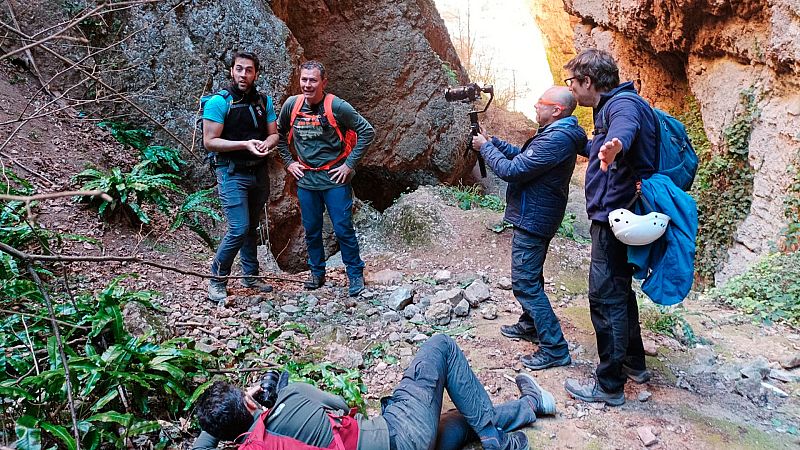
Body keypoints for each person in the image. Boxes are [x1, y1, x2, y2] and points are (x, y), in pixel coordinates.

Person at [192, 334, 557, 450]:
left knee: (450, 422)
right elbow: (341, 405)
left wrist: (226, 418)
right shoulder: (287, 398)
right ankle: (499, 442)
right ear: (247, 399)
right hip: (401, 436)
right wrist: (275, 390)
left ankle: (530, 406)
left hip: (409, 444)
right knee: (440, 347)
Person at [561, 49, 657, 406]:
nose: (571, 89)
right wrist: (589, 145)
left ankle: (609, 385)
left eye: (573, 82)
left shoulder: (623, 107)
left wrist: (615, 146)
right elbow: (610, 142)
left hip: (616, 217)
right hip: (620, 215)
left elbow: (624, 132)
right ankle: (634, 364)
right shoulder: (614, 106)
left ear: (588, 82)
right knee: (619, 292)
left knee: (605, 297)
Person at [472, 87, 587, 371]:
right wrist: (492, 141)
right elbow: (521, 157)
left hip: (534, 218)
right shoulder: (555, 133)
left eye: (541, 102)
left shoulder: (557, 138)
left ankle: (555, 348)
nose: (536, 105)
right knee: (532, 276)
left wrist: (484, 149)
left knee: (525, 282)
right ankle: (530, 325)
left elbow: (512, 170)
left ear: (557, 110)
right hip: (537, 214)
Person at [277, 60, 375, 297]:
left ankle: (354, 273)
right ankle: (316, 272)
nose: (307, 85)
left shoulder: (337, 107)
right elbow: (278, 135)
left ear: (323, 82)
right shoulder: (292, 105)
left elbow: (367, 131)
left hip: (334, 180)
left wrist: (348, 165)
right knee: (311, 229)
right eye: (304, 80)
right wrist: (289, 163)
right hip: (307, 181)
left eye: (313, 80)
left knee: (343, 229)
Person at [203, 51, 279, 302]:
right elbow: (210, 142)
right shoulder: (219, 102)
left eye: (248, 70)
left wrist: (267, 144)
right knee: (238, 227)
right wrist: (245, 145)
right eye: (238, 69)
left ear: (256, 73)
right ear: (231, 71)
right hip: (231, 171)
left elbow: (274, 133)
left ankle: (250, 274)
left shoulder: (263, 101)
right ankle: (217, 278)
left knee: (251, 226)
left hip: (258, 171)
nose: (243, 74)